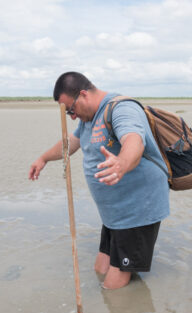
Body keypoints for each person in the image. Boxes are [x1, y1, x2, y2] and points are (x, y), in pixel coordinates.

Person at [28, 72, 169, 289]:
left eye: (71, 110)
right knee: (100, 269)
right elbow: (71, 142)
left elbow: (134, 140)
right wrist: (44, 158)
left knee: (114, 284)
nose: (72, 116)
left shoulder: (122, 109)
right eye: (67, 114)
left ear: (83, 94)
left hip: (137, 209)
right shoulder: (88, 117)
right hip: (114, 213)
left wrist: (121, 163)